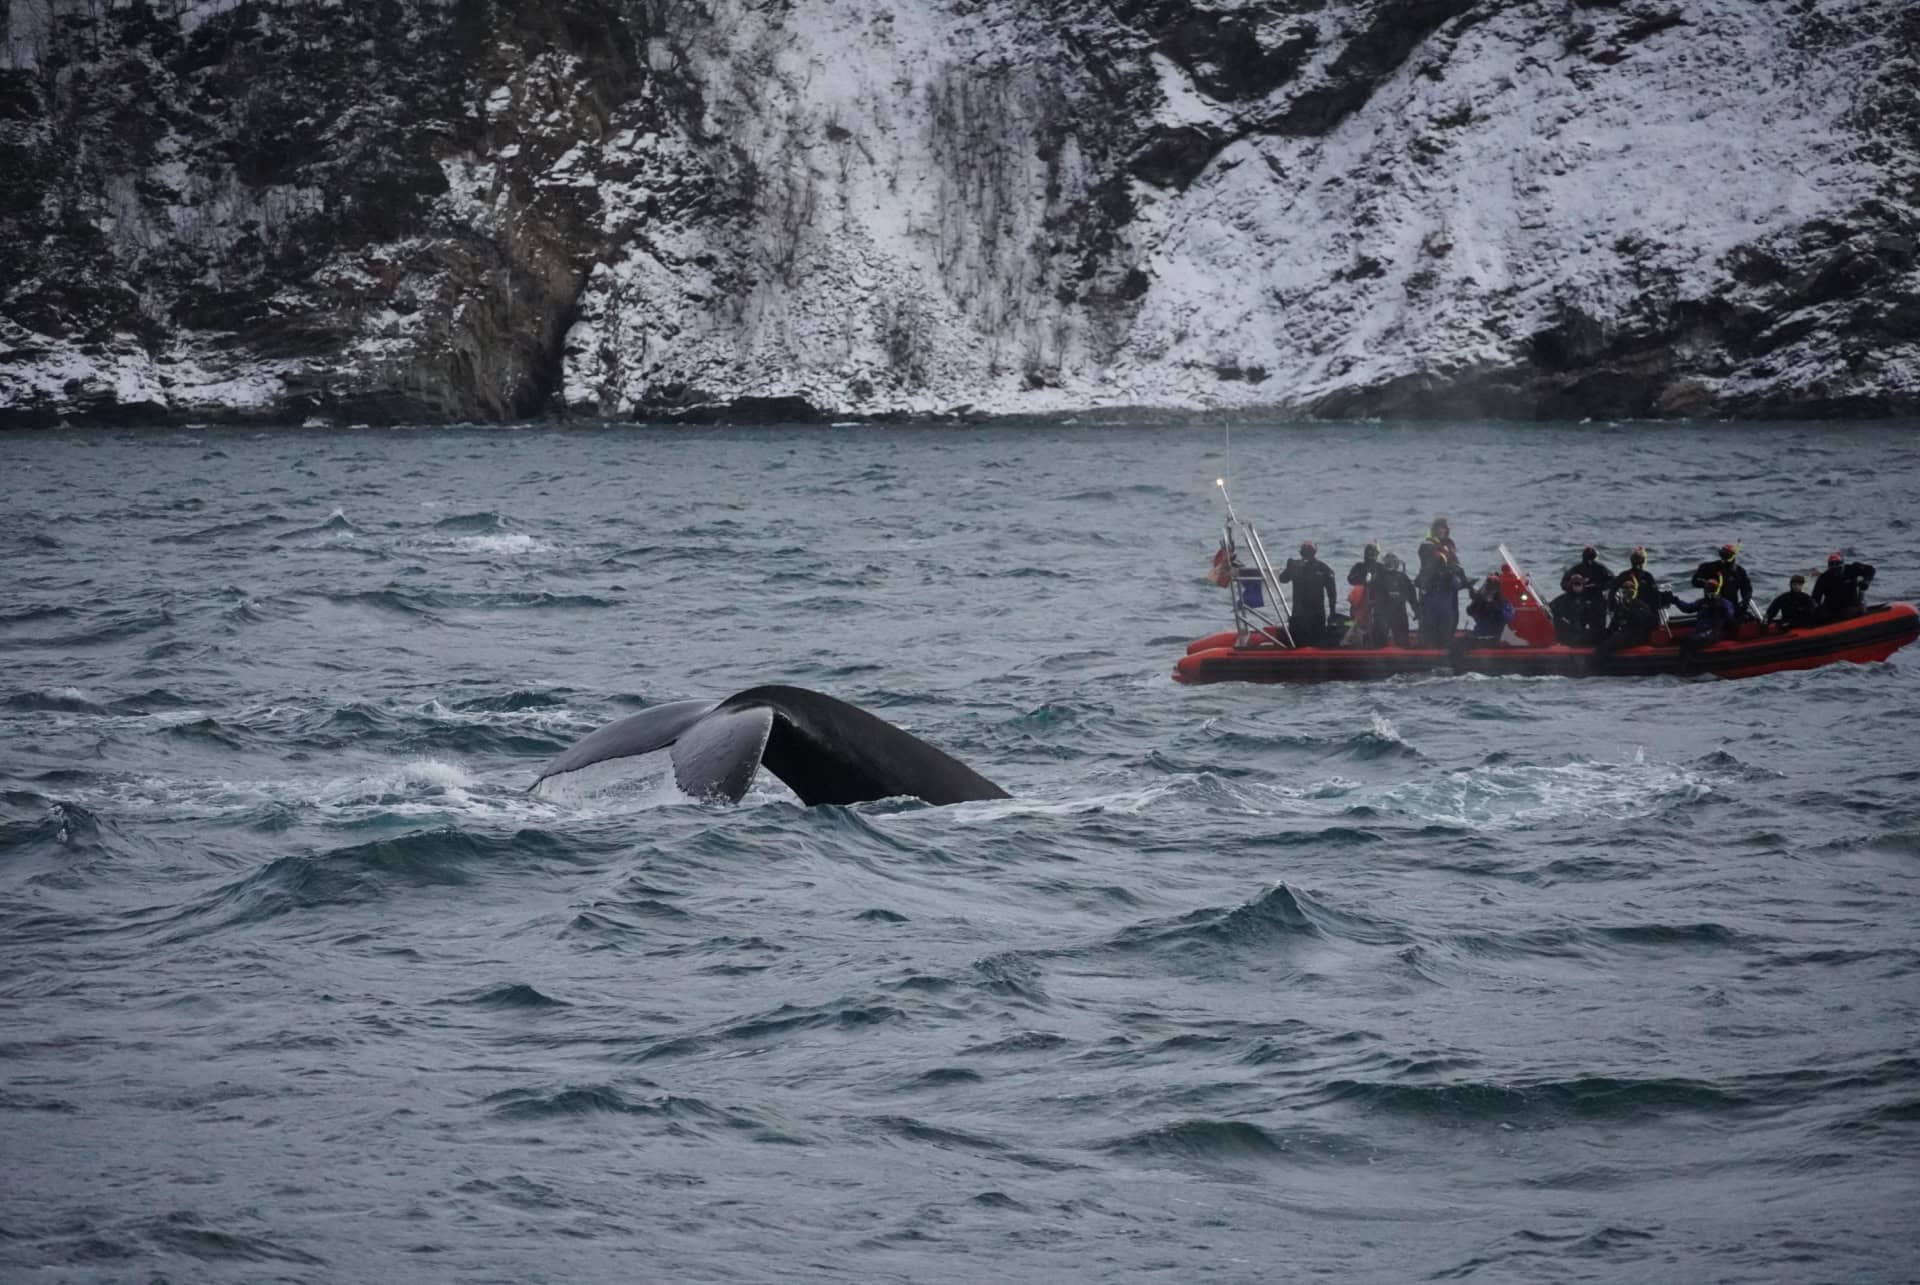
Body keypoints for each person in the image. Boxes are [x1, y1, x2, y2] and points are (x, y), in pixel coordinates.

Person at [1277, 540, 1339, 647]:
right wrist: (1289, 567)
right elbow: (1283, 579)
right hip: (1300, 616)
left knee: (1314, 640)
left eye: (1308, 550)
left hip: (1314, 616)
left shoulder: (1322, 568)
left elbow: (1332, 592)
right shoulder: (1296, 566)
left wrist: (1332, 613)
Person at [1415, 531, 1469, 648]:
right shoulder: (1428, 570)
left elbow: (1459, 584)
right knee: (1431, 640)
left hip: (1445, 609)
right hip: (1432, 610)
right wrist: (1432, 577)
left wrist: (1448, 574)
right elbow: (1419, 583)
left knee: (1445, 638)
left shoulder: (1452, 570)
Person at [1690, 543, 1752, 641]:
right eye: (1722, 554)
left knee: (1739, 624)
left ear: (1733, 556)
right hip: (1712, 608)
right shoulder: (1710, 567)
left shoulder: (1739, 572)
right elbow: (1695, 581)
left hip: (1730, 609)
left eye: (1727, 555)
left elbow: (1747, 589)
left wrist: (1745, 602)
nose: (1724, 558)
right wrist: (1707, 584)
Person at [1593, 574, 1660, 664]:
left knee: (1611, 643)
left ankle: (1597, 664)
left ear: (1635, 589)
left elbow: (1642, 622)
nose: (1628, 590)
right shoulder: (1621, 607)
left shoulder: (1641, 606)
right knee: (1603, 637)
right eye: (1625, 587)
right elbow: (1614, 626)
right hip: (1625, 635)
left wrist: (1627, 611)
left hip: (1637, 637)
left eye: (1631, 587)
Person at [1367, 552, 1416, 648]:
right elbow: (1412, 597)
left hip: (1387, 614)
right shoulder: (1400, 577)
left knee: (1380, 641)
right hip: (1392, 614)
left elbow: (1371, 597)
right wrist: (1416, 610)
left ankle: (1381, 651)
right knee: (1401, 641)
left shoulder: (1378, 577)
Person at [1811, 552, 1875, 622]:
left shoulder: (1852, 569)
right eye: (1832, 565)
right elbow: (1816, 597)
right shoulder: (1823, 577)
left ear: (1843, 564)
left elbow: (1870, 570)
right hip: (1831, 607)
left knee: (1850, 612)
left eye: (1837, 565)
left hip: (1850, 605)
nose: (1835, 568)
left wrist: (1866, 581)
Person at [1550, 574, 1601, 645]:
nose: (1577, 587)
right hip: (1569, 631)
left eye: (1579, 584)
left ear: (1583, 585)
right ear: (1571, 585)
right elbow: (1552, 610)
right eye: (1575, 584)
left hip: (1583, 628)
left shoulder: (1588, 598)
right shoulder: (1564, 599)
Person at [1346, 542, 1380, 642]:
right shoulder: (1359, 566)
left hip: (1376, 601)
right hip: (1360, 602)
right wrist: (1365, 572)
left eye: (1373, 553)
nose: (1371, 556)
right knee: (1358, 624)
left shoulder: (1380, 567)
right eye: (1370, 553)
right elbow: (1350, 579)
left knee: (1376, 623)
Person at [1465, 573, 1514, 642]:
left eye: (1493, 588)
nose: (1490, 591)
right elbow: (1470, 611)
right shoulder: (1480, 600)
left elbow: (1507, 617)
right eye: (1488, 588)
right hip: (1478, 635)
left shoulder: (1503, 603)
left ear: (1497, 590)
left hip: (1494, 637)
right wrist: (1478, 600)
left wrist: (1494, 607)